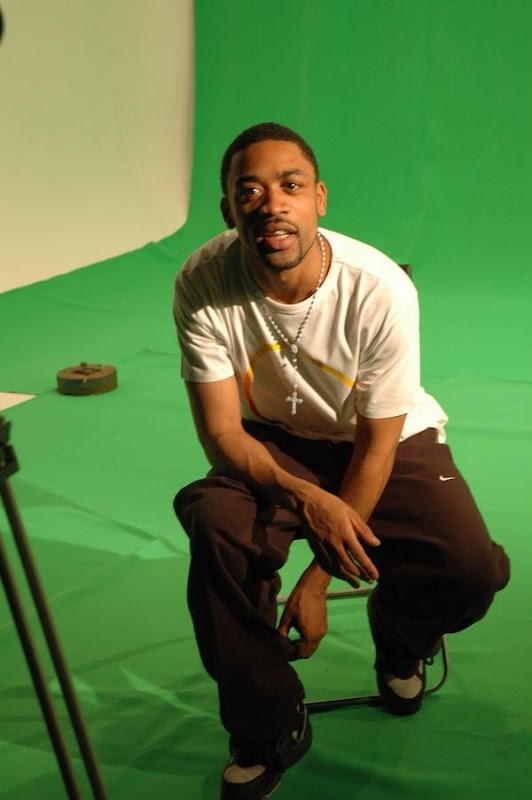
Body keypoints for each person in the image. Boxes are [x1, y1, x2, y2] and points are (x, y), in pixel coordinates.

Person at [172, 122, 510, 800]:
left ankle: (400, 633)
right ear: (228, 209)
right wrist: (305, 497)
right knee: (216, 522)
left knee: (472, 568)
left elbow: (378, 445)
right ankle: (268, 722)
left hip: (381, 438)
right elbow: (222, 433)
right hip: (272, 439)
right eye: (250, 191)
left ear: (319, 199)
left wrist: (320, 579)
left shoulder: (378, 288)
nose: (272, 204)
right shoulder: (202, 282)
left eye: (290, 186)